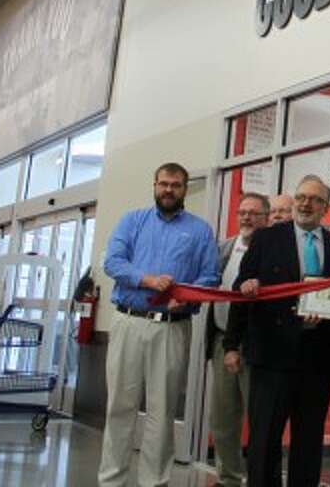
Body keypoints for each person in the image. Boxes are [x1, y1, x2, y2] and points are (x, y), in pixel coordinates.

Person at [99, 162, 221, 487]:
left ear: (185, 189)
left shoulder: (200, 231)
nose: (169, 190)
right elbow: (112, 262)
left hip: (172, 327)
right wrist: (147, 280)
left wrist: (189, 297)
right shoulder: (132, 221)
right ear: (154, 185)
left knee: (162, 409)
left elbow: (210, 276)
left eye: (176, 185)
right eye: (163, 184)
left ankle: (154, 481)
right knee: (119, 406)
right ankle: (112, 480)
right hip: (129, 321)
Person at [225, 174, 330, 487]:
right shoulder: (266, 238)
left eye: (315, 199)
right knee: (264, 439)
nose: (306, 204)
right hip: (271, 355)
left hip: (317, 359)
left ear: (326, 207)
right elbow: (240, 287)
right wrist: (231, 344)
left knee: (308, 441)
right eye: (302, 197)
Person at [208, 193, 271, 487]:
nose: (246, 218)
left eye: (253, 213)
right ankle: (229, 478)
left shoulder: (273, 249)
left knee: (259, 419)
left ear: (267, 218)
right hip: (224, 340)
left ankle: (257, 478)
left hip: (257, 346)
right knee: (223, 419)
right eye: (242, 212)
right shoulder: (225, 247)